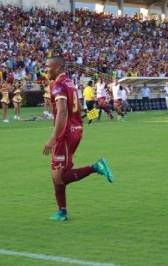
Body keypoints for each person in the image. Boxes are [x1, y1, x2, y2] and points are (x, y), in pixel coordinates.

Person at [42, 56, 113, 221]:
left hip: (65, 133)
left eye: (48, 67)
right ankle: (62, 212)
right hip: (76, 129)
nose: (46, 69)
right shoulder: (70, 83)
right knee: (56, 173)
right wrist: (83, 120)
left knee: (59, 176)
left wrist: (53, 137)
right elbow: (79, 107)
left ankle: (96, 166)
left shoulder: (58, 85)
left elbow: (62, 111)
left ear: (58, 68)